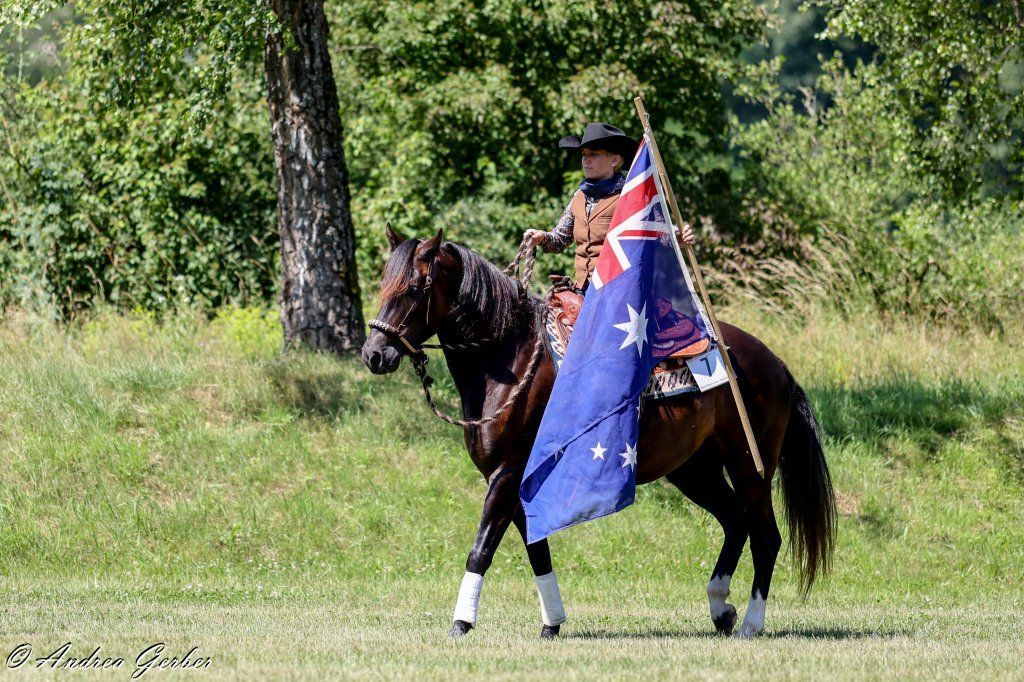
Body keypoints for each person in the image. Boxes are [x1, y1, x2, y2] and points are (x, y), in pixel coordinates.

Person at [524, 122, 696, 293]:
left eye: (594, 154)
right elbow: (560, 239)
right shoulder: (579, 196)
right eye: (584, 154)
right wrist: (542, 237)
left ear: (614, 160)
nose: (586, 159)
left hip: (618, 292)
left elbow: (656, 232)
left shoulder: (630, 196)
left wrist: (679, 237)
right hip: (582, 290)